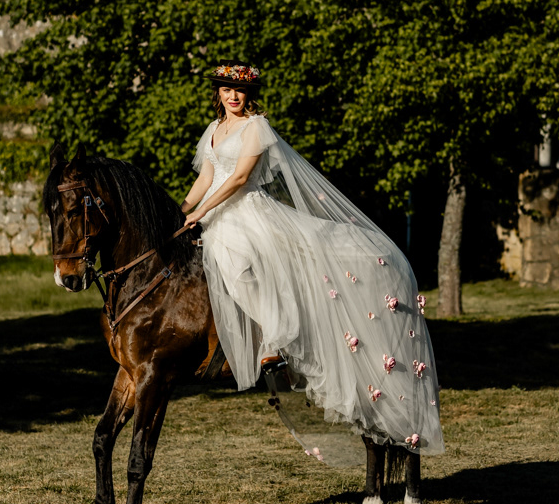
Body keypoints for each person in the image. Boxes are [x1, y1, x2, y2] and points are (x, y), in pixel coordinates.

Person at [180, 61, 444, 456]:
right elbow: (207, 177)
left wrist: (203, 211)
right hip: (217, 212)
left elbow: (239, 178)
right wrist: (183, 211)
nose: (233, 96)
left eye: (240, 90)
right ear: (217, 92)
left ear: (249, 94)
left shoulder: (257, 127)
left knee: (236, 257)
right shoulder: (214, 130)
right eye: (226, 89)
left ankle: (275, 338)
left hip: (247, 211)